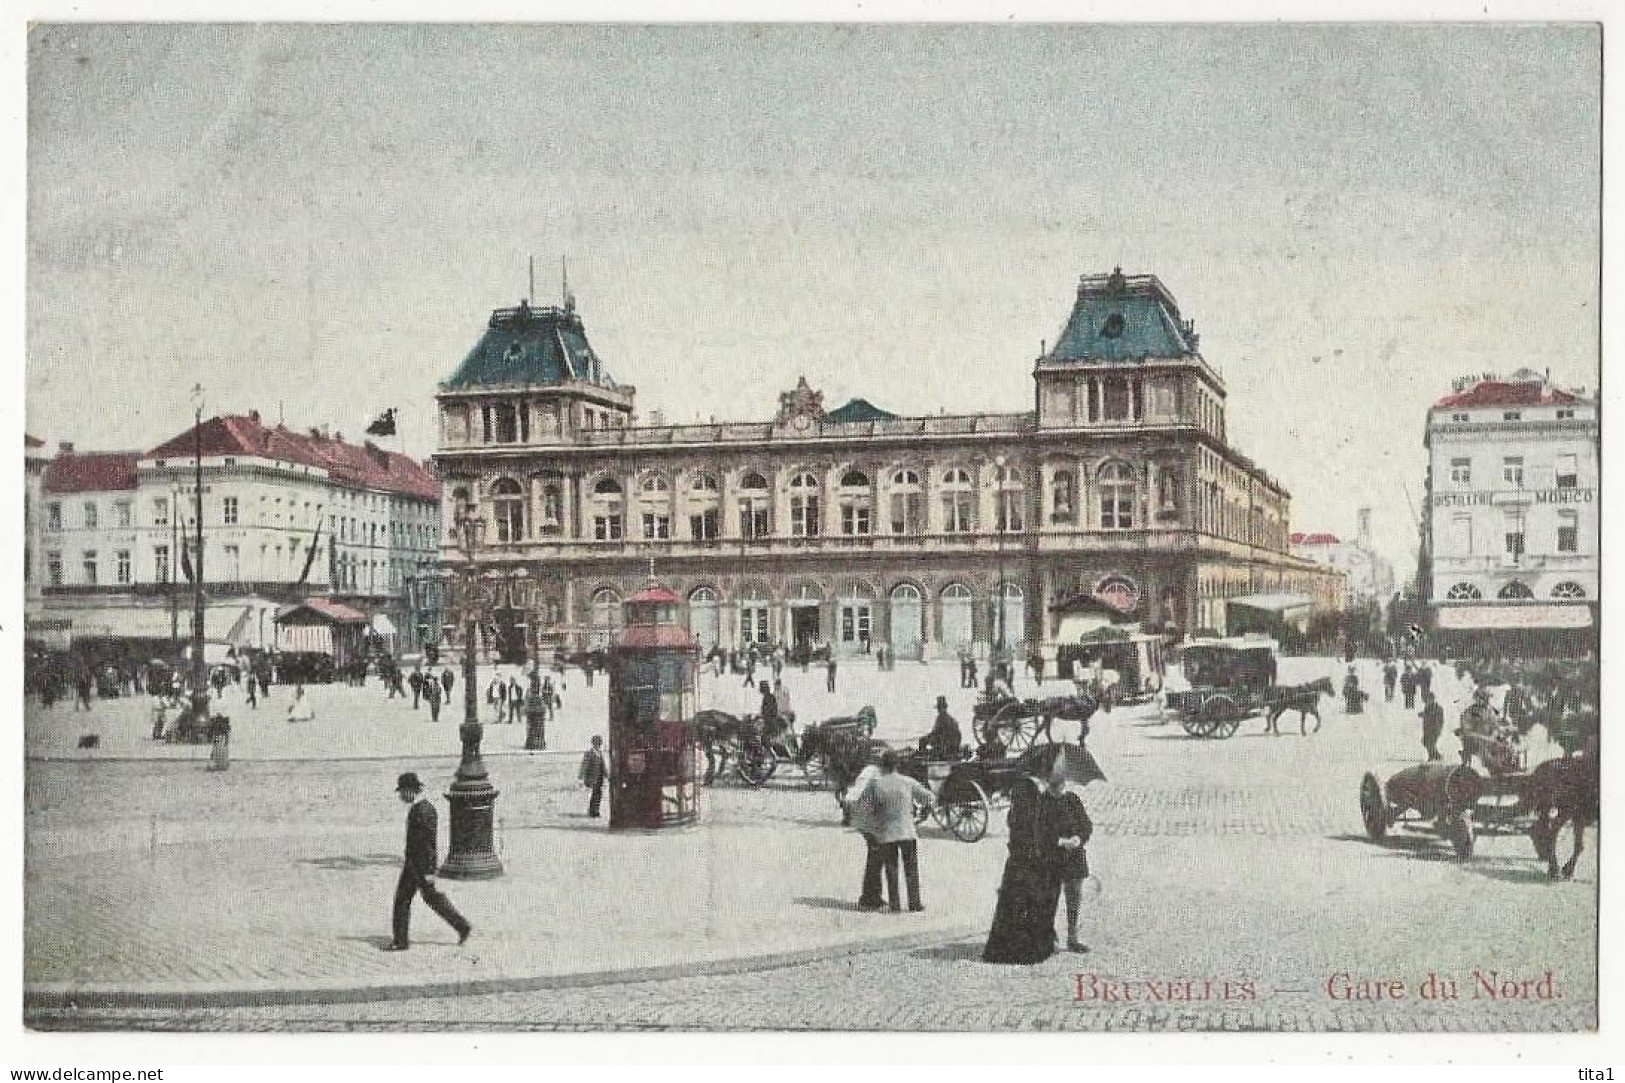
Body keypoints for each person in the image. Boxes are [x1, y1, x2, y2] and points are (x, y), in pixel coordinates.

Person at [983, 770, 1062, 964]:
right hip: (1032, 862)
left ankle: (1004, 947)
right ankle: (1032, 947)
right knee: (1034, 901)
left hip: (1015, 863)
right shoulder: (1035, 814)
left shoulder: (1015, 814)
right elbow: (1041, 839)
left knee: (1011, 905)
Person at [389, 772, 471, 951]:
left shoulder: (423, 811)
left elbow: (428, 844)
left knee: (428, 898)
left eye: (402, 791)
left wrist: (429, 871)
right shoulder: (421, 808)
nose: (401, 796)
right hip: (414, 863)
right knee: (407, 899)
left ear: (411, 791)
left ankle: (462, 926)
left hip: (419, 865)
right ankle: (400, 940)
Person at [852, 750, 933, 912]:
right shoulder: (908, 782)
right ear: (897, 765)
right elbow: (929, 798)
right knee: (911, 868)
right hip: (908, 832)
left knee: (892, 869)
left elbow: (864, 809)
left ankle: (895, 905)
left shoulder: (875, 784)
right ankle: (915, 903)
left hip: (887, 834)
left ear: (882, 766)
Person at [1047, 761, 1094, 953]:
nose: (1060, 786)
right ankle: (1047, 937)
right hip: (1051, 856)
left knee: (1074, 896)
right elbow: (1037, 833)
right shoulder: (1041, 804)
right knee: (1049, 897)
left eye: (1062, 782)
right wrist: (1059, 841)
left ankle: (1073, 938)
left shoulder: (1073, 800)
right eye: (1055, 783)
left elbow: (1086, 825)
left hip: (1074, 857)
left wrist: (1078, 838)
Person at [844, 759, 885, 909]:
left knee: (876, 857)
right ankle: (868, 899)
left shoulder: (872, 772)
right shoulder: (871, 773)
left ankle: (874, 896)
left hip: (868, 820)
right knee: (875, 858)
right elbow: (851, 797)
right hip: (868, 821)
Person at [921, 695, 962, 760]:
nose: (939, 710)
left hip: (945, 743)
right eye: (939, 708)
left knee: (922, 740)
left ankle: (923, 758)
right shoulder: (951, 719)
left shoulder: (941, 718)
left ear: (942, 708)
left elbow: (935, 732)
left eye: (939, 708)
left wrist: (927, 736)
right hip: (952, 744)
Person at [579, 736, 609, 818]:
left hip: (599, 778)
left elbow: (603, 766)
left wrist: (607, 776)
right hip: (591, 778)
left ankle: (594, 810)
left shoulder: (600, 753)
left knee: (598, 794)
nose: (598, 745)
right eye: (596, 743)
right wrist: (580, 778)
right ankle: (594, 811)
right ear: (593, 743)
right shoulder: (589, 753)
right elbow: (584, 766)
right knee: (595, 794)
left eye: (599, 743)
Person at [1419, 688, 1444, 762]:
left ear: (1433, 699)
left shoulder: (1438, 708)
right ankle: (1435, 756)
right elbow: (1427, 714)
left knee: (1430, 743)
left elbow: (1438, 718)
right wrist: (1422, 714)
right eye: (1428, 699)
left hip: (1434, 729)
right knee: (1425, 742)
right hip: (1427, 729)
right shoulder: (1427, 707)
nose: (1429, 701)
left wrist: (1437, 728)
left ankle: (1435, 757)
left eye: (1430, 699)